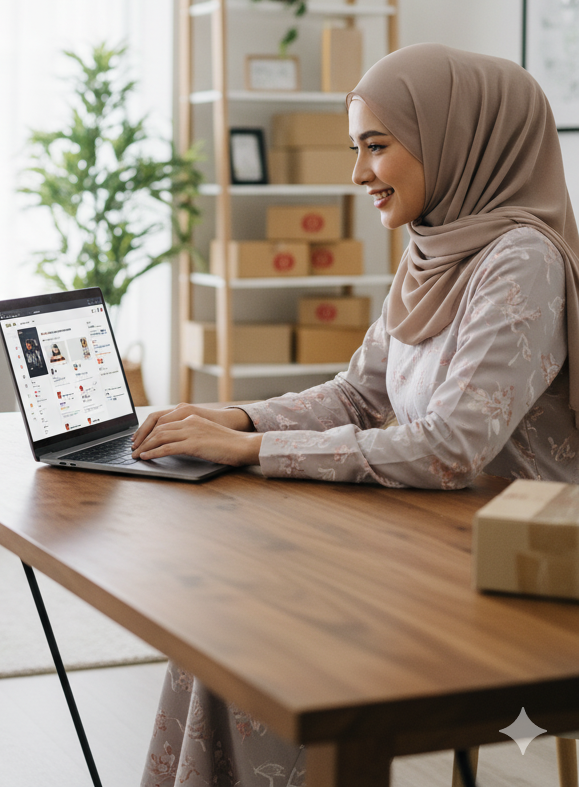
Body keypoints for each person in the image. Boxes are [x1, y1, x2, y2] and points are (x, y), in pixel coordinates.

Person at [131, 44, 579, 786]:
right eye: (355, 147)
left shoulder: (520, 260)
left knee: (278, 641)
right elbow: (358, 395)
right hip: (427, 533)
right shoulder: (435, 247)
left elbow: (449, 448)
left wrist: (251, 453)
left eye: (377, 146)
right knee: (223, 623)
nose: (358, 173)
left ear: (454, 138)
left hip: (508, 565)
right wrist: (237, 417)